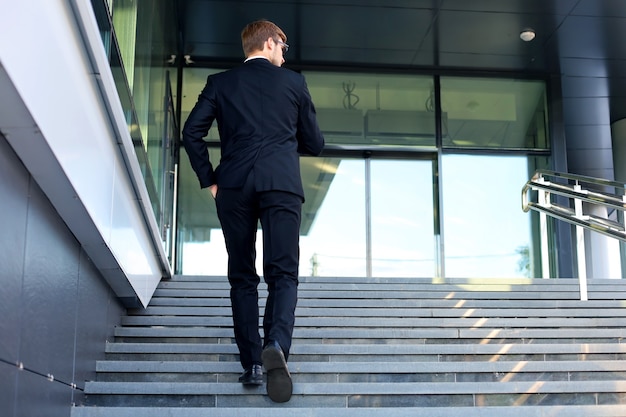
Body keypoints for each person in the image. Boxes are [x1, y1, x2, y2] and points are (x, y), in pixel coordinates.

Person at [182, 19, 324, 403]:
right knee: (283, 274)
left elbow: (190, 132)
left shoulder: (220, 83)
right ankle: (275, 342)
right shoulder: (294, 83)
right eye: (283, 44)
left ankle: (251, 363)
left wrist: (210, 179)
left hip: (234, 186)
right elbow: (315, 143)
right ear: (270, 42)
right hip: (280, 184)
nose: (285, 52)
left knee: (242, 275)